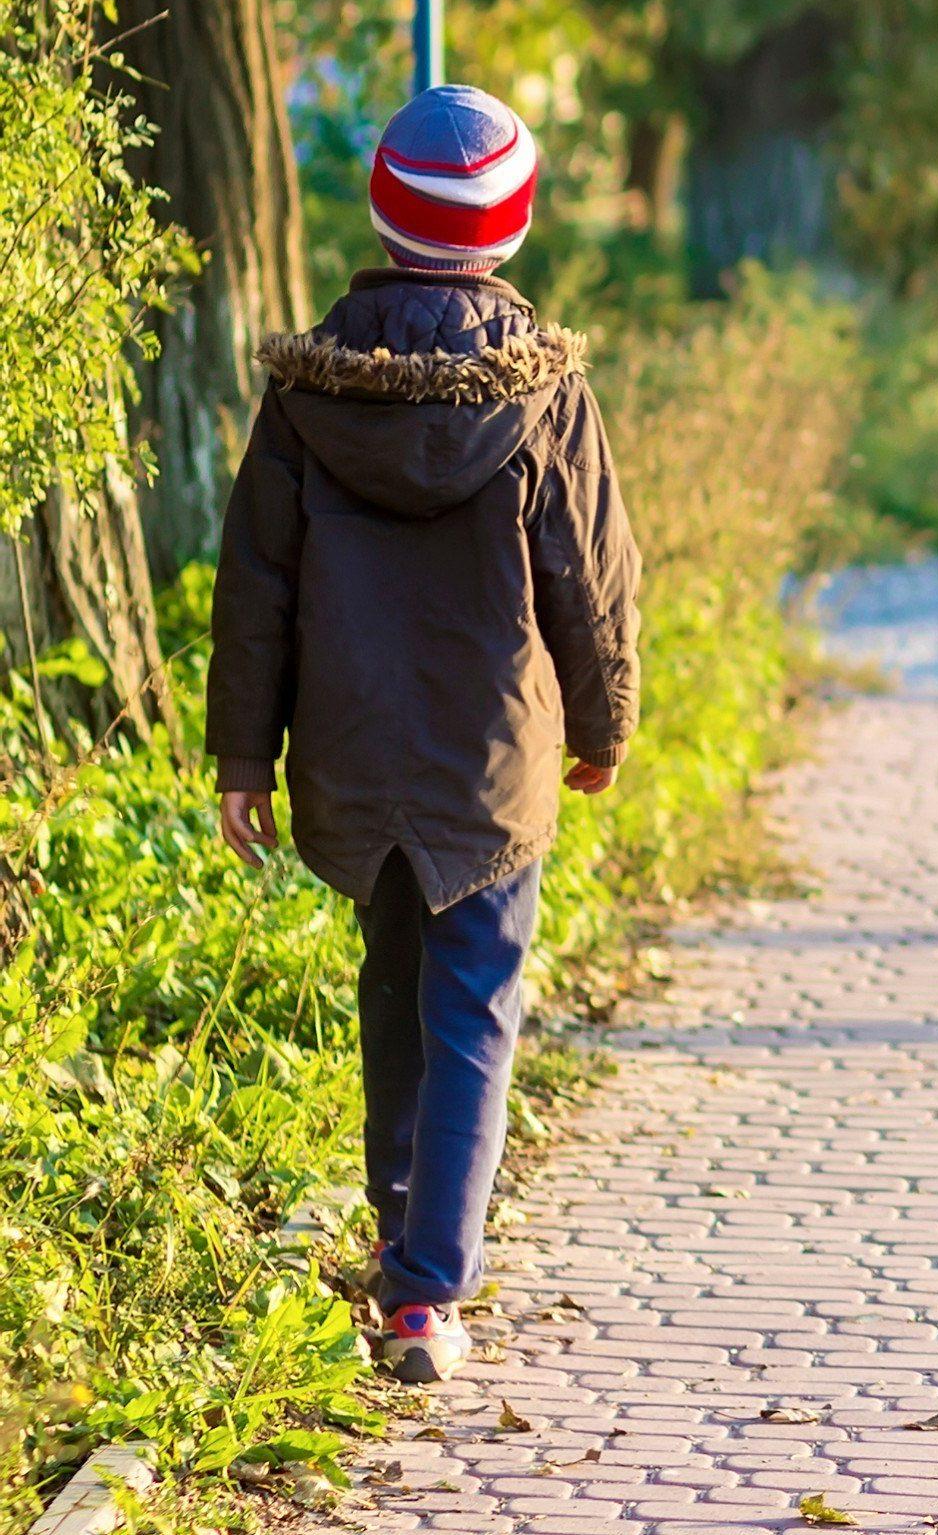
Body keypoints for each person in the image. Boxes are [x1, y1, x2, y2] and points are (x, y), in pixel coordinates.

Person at [205, 84, 640, 1385]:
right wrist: (606, 718)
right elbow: (589, 575)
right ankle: (426, 1295)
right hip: (489, 763)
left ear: (385, 216)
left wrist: (243, 756)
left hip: (347, 751)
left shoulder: (308, 394)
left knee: (390, 990)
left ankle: (401, 1235)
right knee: (474, 1010)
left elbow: (256, 587)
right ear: (509, 229)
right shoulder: (542, 393)